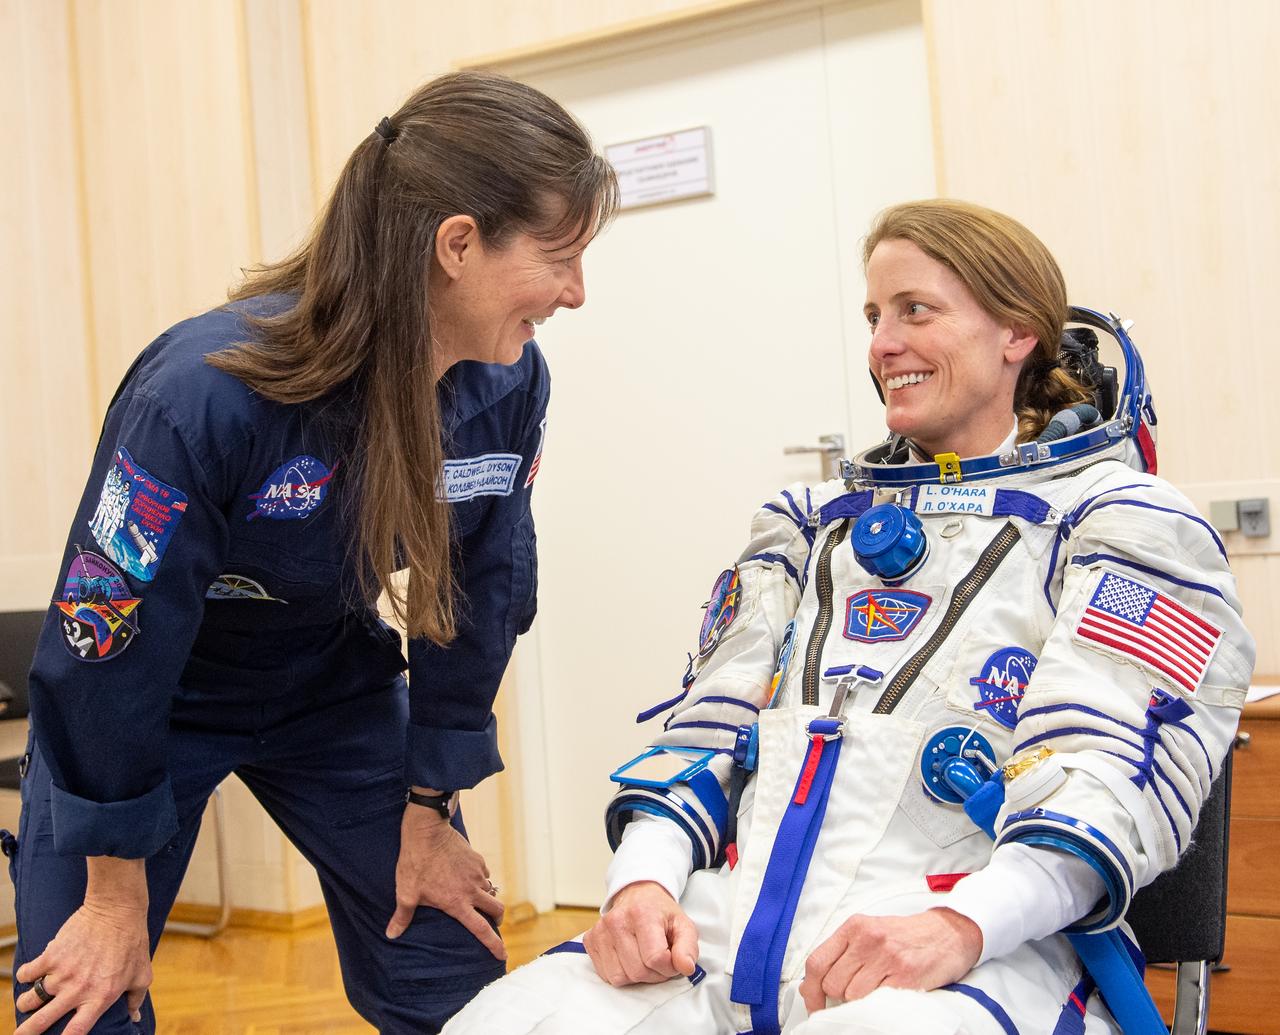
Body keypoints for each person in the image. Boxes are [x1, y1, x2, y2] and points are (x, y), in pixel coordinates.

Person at [443, 199, 1255, 1035]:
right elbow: (703, 737)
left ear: (1016, 333)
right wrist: (641, 885)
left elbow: (1110, 782)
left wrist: (961, 926)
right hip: (729, 933)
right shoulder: (805, 524)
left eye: (916, 311)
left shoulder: (1124, 524)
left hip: (978, 944)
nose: (881, 345)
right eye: (874, 316)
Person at [7, 70, 617, 1035]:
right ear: (457, 245)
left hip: (326, 684)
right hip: (145, 706)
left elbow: (481, 591)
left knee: (454, 978)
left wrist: (430, 803)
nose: (576, 294)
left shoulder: (506, 383)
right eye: (560, 258)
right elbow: (109, 638)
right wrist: (114, 896)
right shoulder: (207, 394)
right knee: (81, 1007)